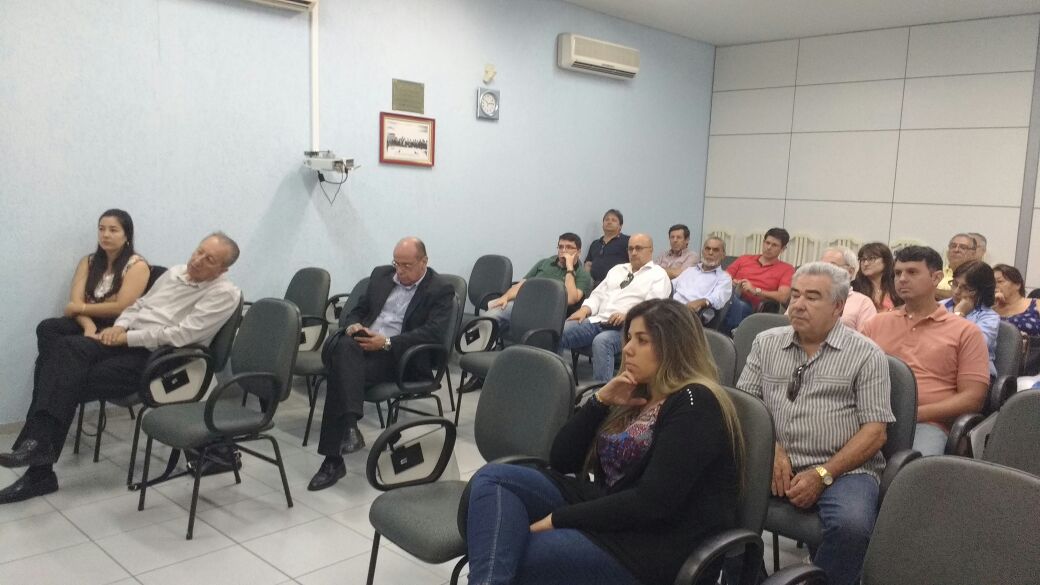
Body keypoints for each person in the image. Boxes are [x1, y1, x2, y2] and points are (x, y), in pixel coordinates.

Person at [465, 298, 744, 585]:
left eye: (642, 340)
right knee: (493, 479)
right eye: (629, 338)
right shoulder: (637, 392)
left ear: (674, 346)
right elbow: (561, 460)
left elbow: (652, 503)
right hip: (611, 508)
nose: (628, 348)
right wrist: (600, 402)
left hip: (652, 544)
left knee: (516, 549)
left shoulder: (695, 402)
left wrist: (558, 519)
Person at [0, 233, 242, 504]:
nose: (197, 260)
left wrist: (127, 337)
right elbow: (139, 305)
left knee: (62, 377)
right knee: (64, 351)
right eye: (198, 251)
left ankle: (39, 467)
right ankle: (38, 453)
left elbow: (182, 336)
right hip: (128, 338)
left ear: (223, 269)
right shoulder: (175, 273)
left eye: (209, 260)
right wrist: (120, 326)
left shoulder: (223, 294)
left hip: (160, 358)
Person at [739, 262, 894, 585]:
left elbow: (875, 432)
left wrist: (823, 474)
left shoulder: (866, 355)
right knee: (713, 497)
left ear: (838, 307)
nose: (798, 304)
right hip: (773, 459)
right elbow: (746, 406)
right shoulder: (766, 343)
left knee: (851, 528)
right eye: (795, 295)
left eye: (812, 297)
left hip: (844, 469)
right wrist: (772, 450)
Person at [309, 237, 454, 491]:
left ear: (424, 262)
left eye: (407, 265)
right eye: (397, 263)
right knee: (345, 349)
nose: (400, 271)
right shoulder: (381, 276)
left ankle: (333, 459)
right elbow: (357, 310)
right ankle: (349, 428)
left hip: (400, 357)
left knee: (340, 372)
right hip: (362, 347)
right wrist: (353, 326)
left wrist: (386, 342)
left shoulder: (440, 289)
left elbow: (432, 333)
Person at [17, 210, 150, 451]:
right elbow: (74, 304)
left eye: (113, 230)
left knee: (59, 357)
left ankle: (43, 423)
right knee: (47, 328)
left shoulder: (137, 265)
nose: (105, 234)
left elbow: (122, 307)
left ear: (126, 235)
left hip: (116, 327)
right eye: (101, 229)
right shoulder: (88, 262)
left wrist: (82, 308)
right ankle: (53, 397)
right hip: (88, 323)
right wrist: (87, 323)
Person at [861, 246, 989, 457]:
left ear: (936, 277)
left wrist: (912, 414)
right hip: (869, 417)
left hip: (926, 422)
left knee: (914, 469)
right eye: (898, 273)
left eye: (912, 272)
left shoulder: (965, 332)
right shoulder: (875, 324)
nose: (902, 279)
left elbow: (972, 398)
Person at [560, 234, 670, 381]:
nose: (634, 252)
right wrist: (584, 309)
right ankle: (553, 378)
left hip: (627, 328)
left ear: (650, 250)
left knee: (602, 341)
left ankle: (601, 390)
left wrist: (628, 315)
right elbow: (598, 294)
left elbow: (653, 308)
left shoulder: (658, 275)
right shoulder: (618, 270)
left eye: (638, 248)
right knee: (559, 331)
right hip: (599, 320)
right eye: (630, 249)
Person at [485, 232, 592, 329]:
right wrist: (505, 297)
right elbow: (522, 284)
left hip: (547, 312)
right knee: (490, 316)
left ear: (578, 252)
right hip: (525, 302)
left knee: (493, 318)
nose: (563, 251)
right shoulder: (544, 263)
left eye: (569, 247)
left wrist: (569, 268)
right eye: (560, 247)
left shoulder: (583, 274)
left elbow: (571, 299)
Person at [722, 227, 795, 334]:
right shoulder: (744, 259)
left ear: (783, 249)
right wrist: (733, 282)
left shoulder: (787, 269)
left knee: (736, 304)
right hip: (731, 296)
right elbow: (723, 278)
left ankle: (730, 336)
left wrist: (756, 290)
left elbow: (783, 296)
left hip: (752, 307)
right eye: (767, 243)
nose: (768, 247)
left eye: (774, 245)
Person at [941, 260, 999, 376]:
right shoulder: (939, 306)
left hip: (975, 373)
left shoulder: (989, 318)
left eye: (966, 288)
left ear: (981, 291)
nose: (956, 291)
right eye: (955, 284)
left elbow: (972, 347)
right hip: (941, 367)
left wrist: (959, 314)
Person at [812, 246, 876, 331]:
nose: (824, 271)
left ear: (850, 272)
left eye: (831, 266)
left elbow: (867, 337)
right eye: (821, 266)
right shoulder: (807, 295)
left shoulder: (863, 303)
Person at [671, 236, 732, 324]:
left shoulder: (724, 278)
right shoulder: (690, 270)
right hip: (672, 308)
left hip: (691, 315)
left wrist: (702, 301)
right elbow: (671, 286)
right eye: (707, 249)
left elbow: (717, 298)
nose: (710, 252)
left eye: (715, 250)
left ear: (723, 255)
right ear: (702, 251)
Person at [851, 242, 901, 311]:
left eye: (871, 258)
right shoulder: (854, 287)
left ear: (886, 261)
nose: (865, 263)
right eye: (863, 259)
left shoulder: (896, 285)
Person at [993, 264, 1040, 336]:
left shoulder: (1036, 304)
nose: (995, 285)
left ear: (1017, 284)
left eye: (1000, 281)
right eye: (992, 282)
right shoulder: (990, 309)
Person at [584, 209, 629, 284]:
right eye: (606, 219)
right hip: (595, 285)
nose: (609, 222)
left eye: (613, 220)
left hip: (617, 285)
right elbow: (588, 263)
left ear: (620, 226)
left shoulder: (627, 241)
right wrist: (587, 281)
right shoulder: (595, 243)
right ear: (603, 224)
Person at [937, 233, 977, 298]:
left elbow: (962, 296)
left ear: (973, 254)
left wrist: (931, 291)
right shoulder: (937, 272)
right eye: (953, 246)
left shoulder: (976, 275)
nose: (956, 250)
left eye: (963, 247)